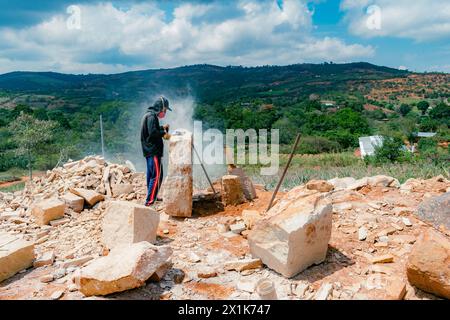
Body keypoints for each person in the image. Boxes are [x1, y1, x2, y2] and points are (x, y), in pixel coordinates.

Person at [140, 96, 172, 206]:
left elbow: (153, 129)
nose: (165, 113)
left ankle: (152, 196)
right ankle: (149, 202)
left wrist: (162, 127)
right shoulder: (152, 117)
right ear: (161, 108)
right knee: (157, 175)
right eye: (165, 110)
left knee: (151, 175)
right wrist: (164, 134)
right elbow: (153, 133)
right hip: (153, 151)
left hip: (149, 151)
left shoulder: (149, 115)